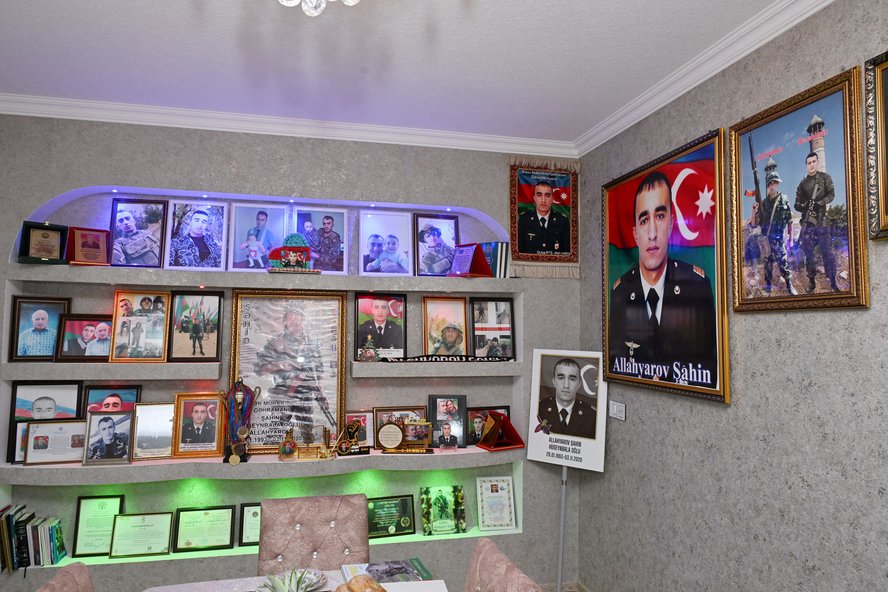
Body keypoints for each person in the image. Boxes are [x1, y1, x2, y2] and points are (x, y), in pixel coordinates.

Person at [608, 171, 717, 389]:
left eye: (659, 216)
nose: (652, 233)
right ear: (635, 234)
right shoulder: (620, 292)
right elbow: (616, 364)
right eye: (644, 220)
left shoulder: (696, 286)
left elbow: (711, 371)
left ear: (671, 224)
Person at [254, 307, 332, 429]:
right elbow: (259, 370)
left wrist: (321, 394)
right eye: (291, 315)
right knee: (276, 433)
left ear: (303, 318)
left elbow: (318, 372)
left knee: (307, 434)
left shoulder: (312, 343)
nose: (295, 319)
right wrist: (279, 365)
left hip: (305, 397)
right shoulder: (275, 343)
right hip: (282, 396)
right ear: (285, 320)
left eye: (298, 315)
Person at [795, 151, 838, 292]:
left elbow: (831, 194)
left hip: (822, 221)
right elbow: (796, 205)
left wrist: (820, 203)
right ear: (806, 165)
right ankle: (812, 282)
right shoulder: (802, 184)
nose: (811, 165)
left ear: (817, 162)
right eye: (809, 163)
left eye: (814, 162)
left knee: (828, 252)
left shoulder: (825, 178)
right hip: (808, 223)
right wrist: (806, 205)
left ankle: (833, 282)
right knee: (809, 254)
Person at [537, 358, 597, 439]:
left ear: (579, 384)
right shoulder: (539, 409)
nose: (566, 385)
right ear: (554, 382)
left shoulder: (592, 417)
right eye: (561, 378)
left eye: (572, 379)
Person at [759, 171, 797, 295]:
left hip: (779, 238)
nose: (773, 185)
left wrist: (791, 238)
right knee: (768, 264)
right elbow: (759, 223)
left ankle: (789, 284)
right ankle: (768, 285)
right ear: (768, 185)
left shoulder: (784, 199)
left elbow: (789, 220)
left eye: (775, 182)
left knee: (783, 262)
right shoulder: (764, 203)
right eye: (771, 183)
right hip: (768, 239)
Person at [516, 181, 570, 254]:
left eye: (547, 196)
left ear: (552, 199)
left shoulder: (562, 221)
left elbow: (567, 253)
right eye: (539, 195)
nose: (543, 200)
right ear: (534, 198)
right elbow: (519, 252)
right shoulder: (524, 220)